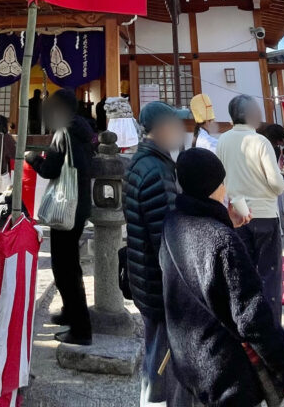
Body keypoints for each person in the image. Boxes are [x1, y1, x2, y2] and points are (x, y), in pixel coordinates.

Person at [161, 148, 284, 406]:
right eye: (222, 182)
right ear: (214, 187)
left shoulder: (173, 222)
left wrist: (226, 221)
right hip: (223, 370)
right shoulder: (224, 243)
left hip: (187, 354)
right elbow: (254, 318)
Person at [123, 101, 186, 406]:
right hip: (158, 279)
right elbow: (167, 237)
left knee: (155, 352)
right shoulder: (157, 171)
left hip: (143, 271)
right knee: (162, 363)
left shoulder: (141, 163)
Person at [27, 88, 95, 345]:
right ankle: (70, 312)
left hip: (66, 204)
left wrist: (33, 158)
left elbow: (49, 169)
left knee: (64, 267)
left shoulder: (63, 133)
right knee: (70, 263)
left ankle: (81, 329)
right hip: (80, 203)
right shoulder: (85, 132)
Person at [216, 94, 284, 319]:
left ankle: (244, 322)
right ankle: (269, 325)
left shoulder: (222, 140)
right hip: (264, 214)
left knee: (241, 274)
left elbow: (221, 178)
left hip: (237, 214)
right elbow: (277, 185)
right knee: (269, 274)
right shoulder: (260, 141)